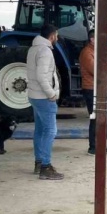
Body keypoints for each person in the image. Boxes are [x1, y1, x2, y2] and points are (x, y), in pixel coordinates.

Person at [27, 24, 63, 180]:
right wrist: (51, 94)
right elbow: (42, 76)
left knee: (40, 131)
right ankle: (46, 168)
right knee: (50, 131)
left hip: (34, 95)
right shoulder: (45, 51)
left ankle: (39, 162)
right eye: (57, 35)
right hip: (43, 97)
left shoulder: (33, 48)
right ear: (52, 35)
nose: (57, 38)